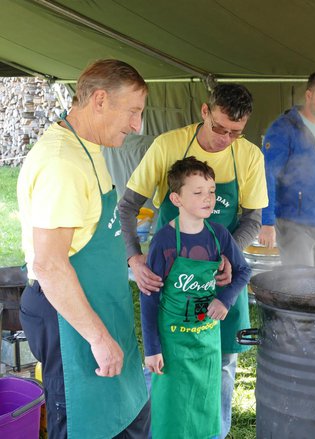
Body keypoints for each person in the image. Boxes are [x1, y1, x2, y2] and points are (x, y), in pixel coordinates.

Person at [118, 83, 267, 438]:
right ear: (205, 111)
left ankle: (214, 432)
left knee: (224, 363)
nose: (226, 139)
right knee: (164, 363)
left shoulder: (248, 156)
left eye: (235, 132)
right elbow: (126, 207)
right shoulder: (168, 145)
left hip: (221, 277)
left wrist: (228, 254)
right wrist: (135, 258)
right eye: (219, 128)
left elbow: (253, 219)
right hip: (172, 278)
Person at [17, 59, 151, 439]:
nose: (137, 125)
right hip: (69, 320)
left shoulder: (88, 146)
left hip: (99, 306)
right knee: (84, 425)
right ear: (100, 100)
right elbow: (50, 265)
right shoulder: (62, 163)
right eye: (133, 112)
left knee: (128, 415)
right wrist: (98, 338)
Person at [142, 157, 251, 438]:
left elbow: (242, 271)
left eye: (212, 191)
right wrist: (152, 348)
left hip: (207, 340)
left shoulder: (219, 235)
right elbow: (150, 297)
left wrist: (224, 300)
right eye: (198, 192)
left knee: (206, 404)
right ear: (176, 199)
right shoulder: (164, 241)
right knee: (172, 406)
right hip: (172, 341)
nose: (208, 198)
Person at [258, 69, 315, 266]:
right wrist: (267, 222)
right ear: (309, 95)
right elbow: (267, 176)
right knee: (301, 286)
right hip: (293, 225)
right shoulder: (284, 128)